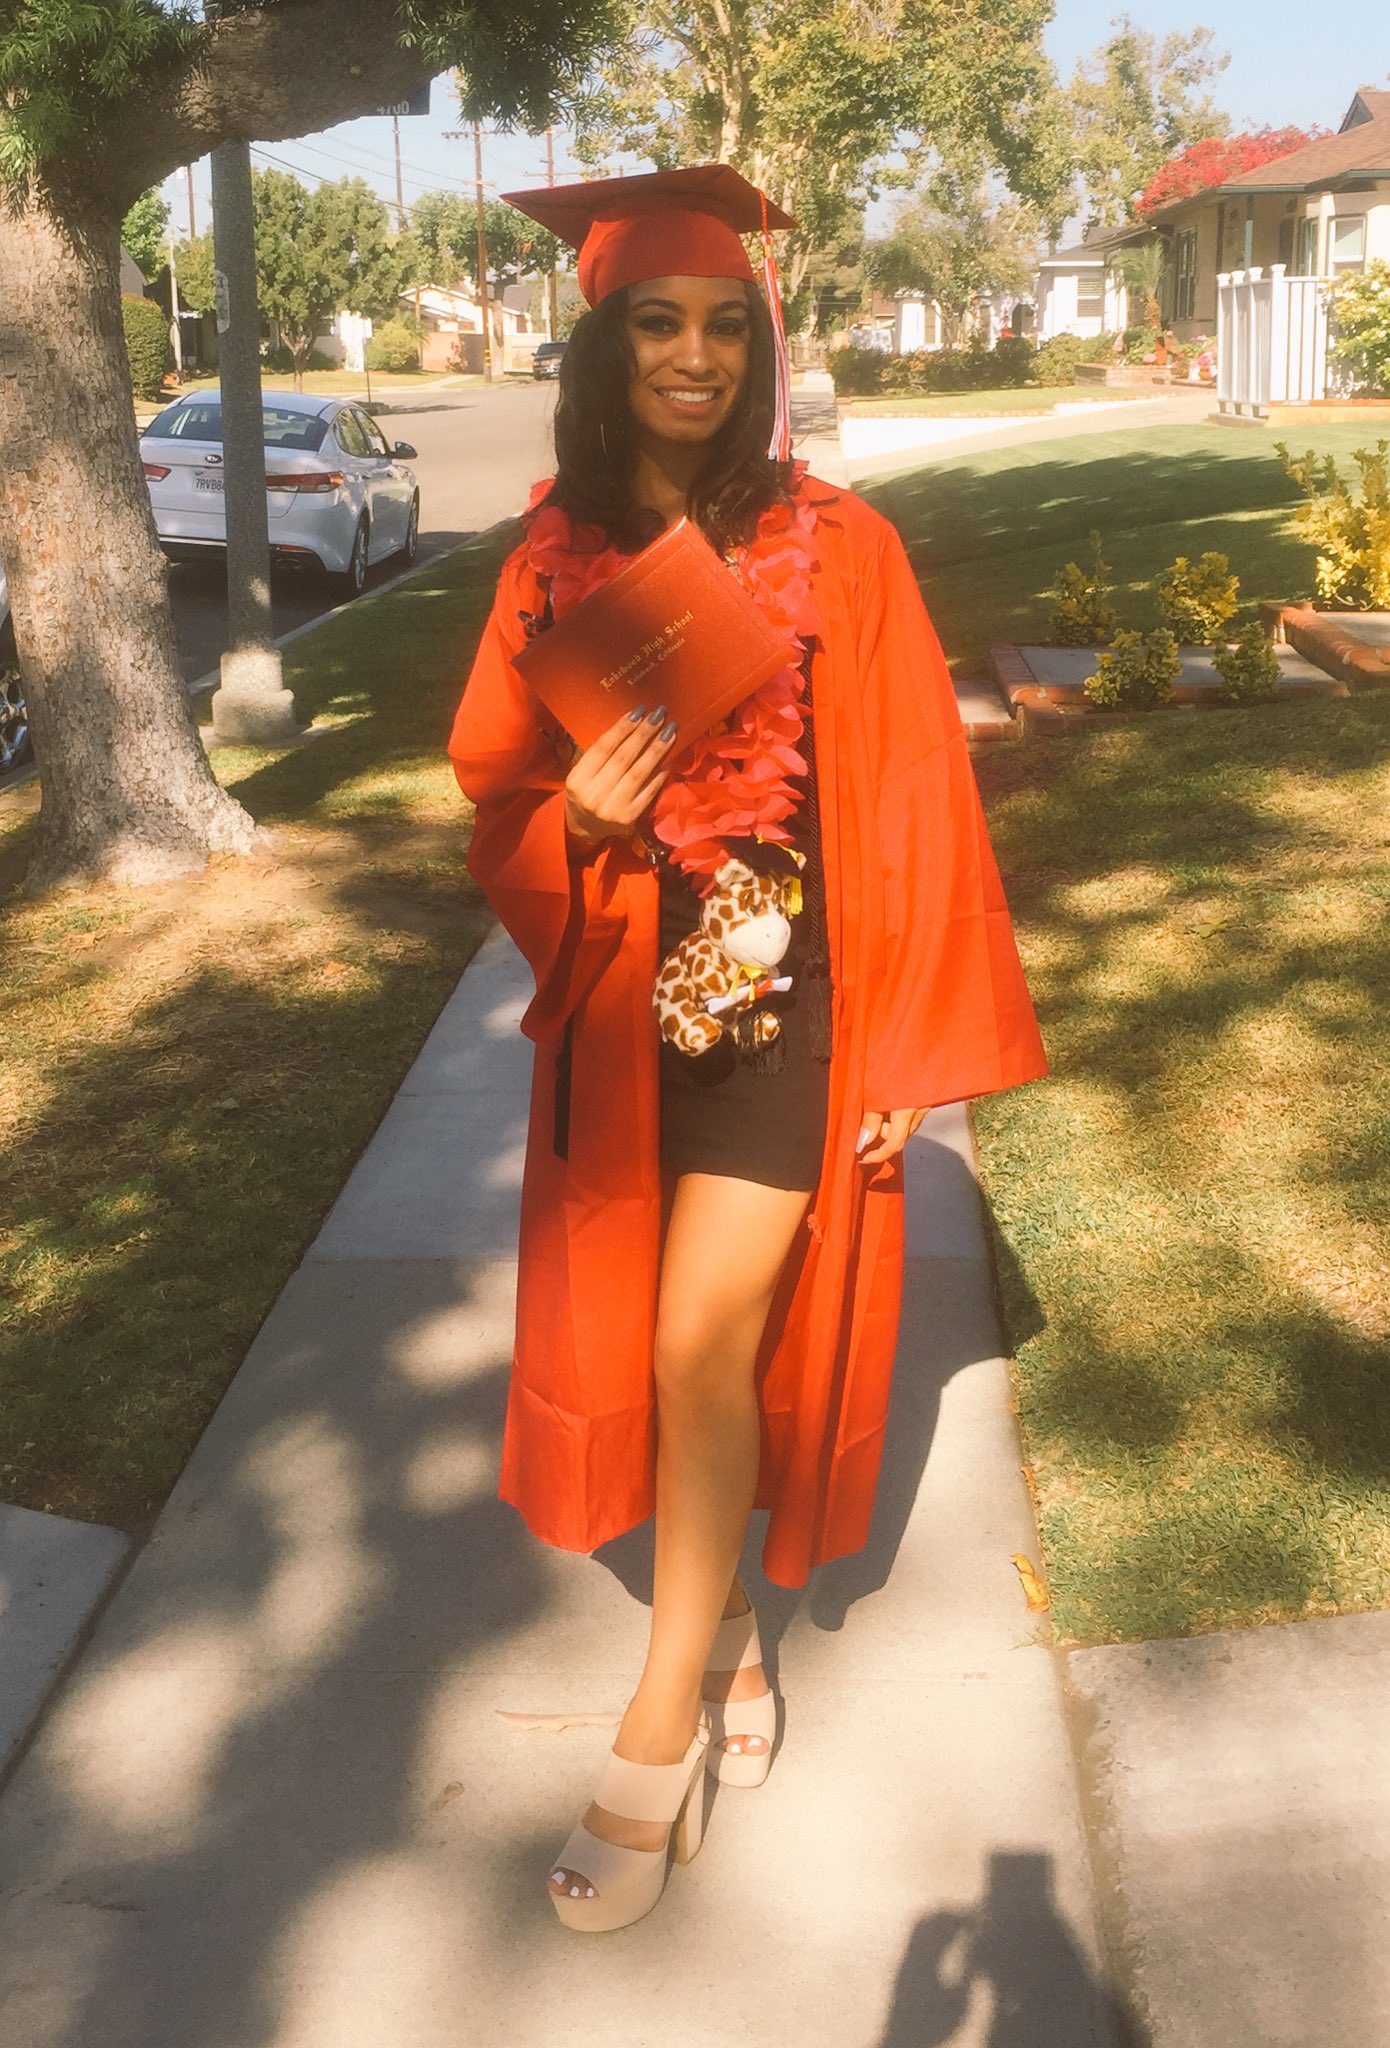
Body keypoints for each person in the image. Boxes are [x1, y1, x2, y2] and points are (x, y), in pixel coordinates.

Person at [446, 164, 1048, 1934]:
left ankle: (656, 1727)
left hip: (795, 1006)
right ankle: (723, 1642)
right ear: (605, 344)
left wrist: (903, 1053)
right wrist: (577, 819)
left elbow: (915, 797)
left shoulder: (841, 547)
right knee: (656, 1342)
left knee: (700, 1340)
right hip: (629, 1008)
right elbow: (492, 790)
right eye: (658, 323)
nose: (695, 357)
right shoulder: (546, 566)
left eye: (725, 325)